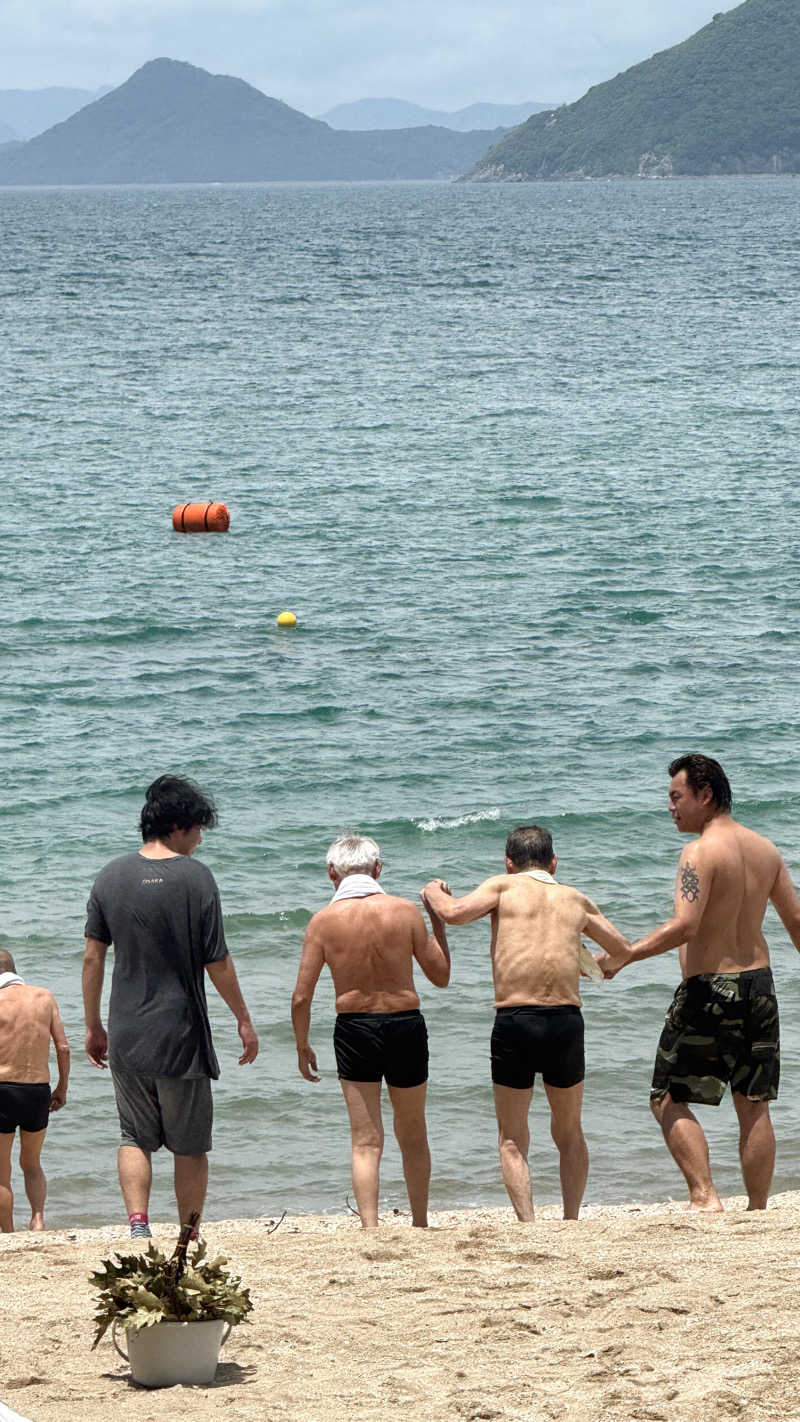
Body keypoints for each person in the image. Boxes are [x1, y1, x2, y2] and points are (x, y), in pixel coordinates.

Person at [596, 753, 800, 1213]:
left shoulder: (699, 851)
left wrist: (626, 955)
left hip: (710, 988)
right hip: (760, 986)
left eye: (676, 797)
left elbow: (685, 925)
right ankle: (758, 1209)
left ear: (705, 795)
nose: (670, 807)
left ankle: (704, 1196)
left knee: (666, 1093)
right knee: (753, 1104)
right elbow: (797, 921)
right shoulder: (766, 849)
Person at [422, 825, 630, 1222]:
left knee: (512, 1138)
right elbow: (622, 950)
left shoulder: (502, 886)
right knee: (569, 1131)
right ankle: (571, 1219)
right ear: (554, 862)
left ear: (508, 862)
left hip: (516, 1019)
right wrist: (592, 967)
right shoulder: (576, 898)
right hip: (566, 1021)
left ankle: (529, 1224)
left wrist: (434, 891)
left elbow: (453, 913)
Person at [82, 774, 258, 1238]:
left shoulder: (109, 876)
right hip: (181, 1034)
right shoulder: (196, 878)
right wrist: (243, 1017)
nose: (200, 838)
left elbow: (92, 956)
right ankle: (188, 1232)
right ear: (178, 826)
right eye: (198, 828)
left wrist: (93, 1025)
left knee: (133, 1136)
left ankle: (138, 1226)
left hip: (127, 1031)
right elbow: (216, 959)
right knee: (190, 1144)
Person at [291, 833, 451, 1228]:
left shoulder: (323, 922)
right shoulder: (406, 912)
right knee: (413, 1131)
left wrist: (301, 1045)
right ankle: (419, 1222)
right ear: (378, 870)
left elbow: (301, 996)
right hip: (405, 1024)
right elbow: (441, 977)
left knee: (366, 1140)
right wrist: (437, 923)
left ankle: (370, 1227)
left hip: (354, 1028)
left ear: (332, 874)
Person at [0, 950, 70, 1232]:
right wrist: (62, 1087)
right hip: (38, 1090)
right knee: (32, 1162)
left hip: (2, 1089)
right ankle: (38, 1219)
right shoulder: (44, 997)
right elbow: (63, 1047)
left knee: (1, 1172)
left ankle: (7, 1232)